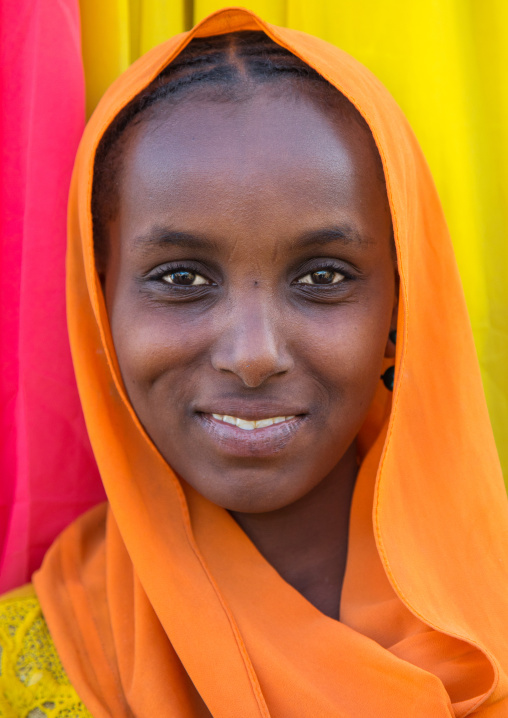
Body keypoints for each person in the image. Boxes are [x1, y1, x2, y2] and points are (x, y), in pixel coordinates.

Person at [1, 6, 507, 717]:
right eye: (181, 279)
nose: (253, 355)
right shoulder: (33, 668)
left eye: (323, 276)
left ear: (399, 310)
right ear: (99, 304)